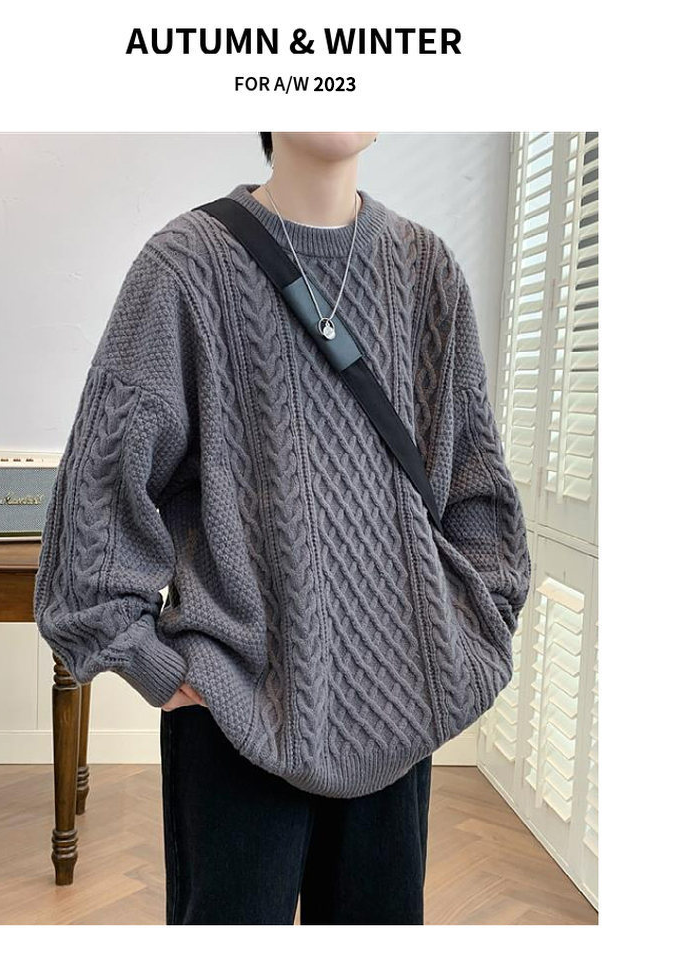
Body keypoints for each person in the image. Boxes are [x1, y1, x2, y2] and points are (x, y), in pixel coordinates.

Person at [33, 132, 531, 925]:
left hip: (399, 713)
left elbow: (479, 489)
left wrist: (468, 634)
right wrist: (154, 663)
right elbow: (94, 504)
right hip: (234, 717)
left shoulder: (425, 269)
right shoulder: (185, 267)